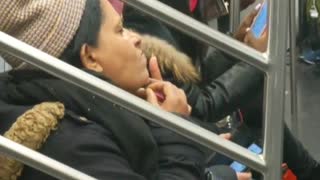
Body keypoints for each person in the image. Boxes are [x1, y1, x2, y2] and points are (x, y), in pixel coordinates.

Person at [0, 0, 209, 179]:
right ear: (90, 57)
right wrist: (174, 128)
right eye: (120, 30)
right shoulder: (75, 145)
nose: (137, 39)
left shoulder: (86, 110)